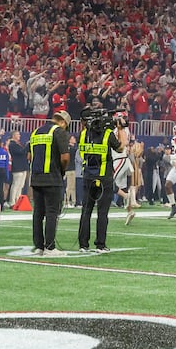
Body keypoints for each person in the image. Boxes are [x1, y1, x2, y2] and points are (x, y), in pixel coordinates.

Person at [75, 103, 122, 252]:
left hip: (88, 175)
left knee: (86, 210)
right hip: (104, 177)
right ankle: (100, 244)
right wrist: (120, 129)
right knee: (102, 212)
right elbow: (120, 148)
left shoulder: (83, 134)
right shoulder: (108, 134)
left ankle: (83, 244)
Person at [28, 108, 71, 256]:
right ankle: (50, 247)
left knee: (38, 213)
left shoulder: (36, 132)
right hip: (52, 178)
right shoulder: (58, 132)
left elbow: (29, 156)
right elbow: (65, 157)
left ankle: (39, 246)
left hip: (36, 177)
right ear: (63, 122)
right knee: (52, 212)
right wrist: (62, 171)